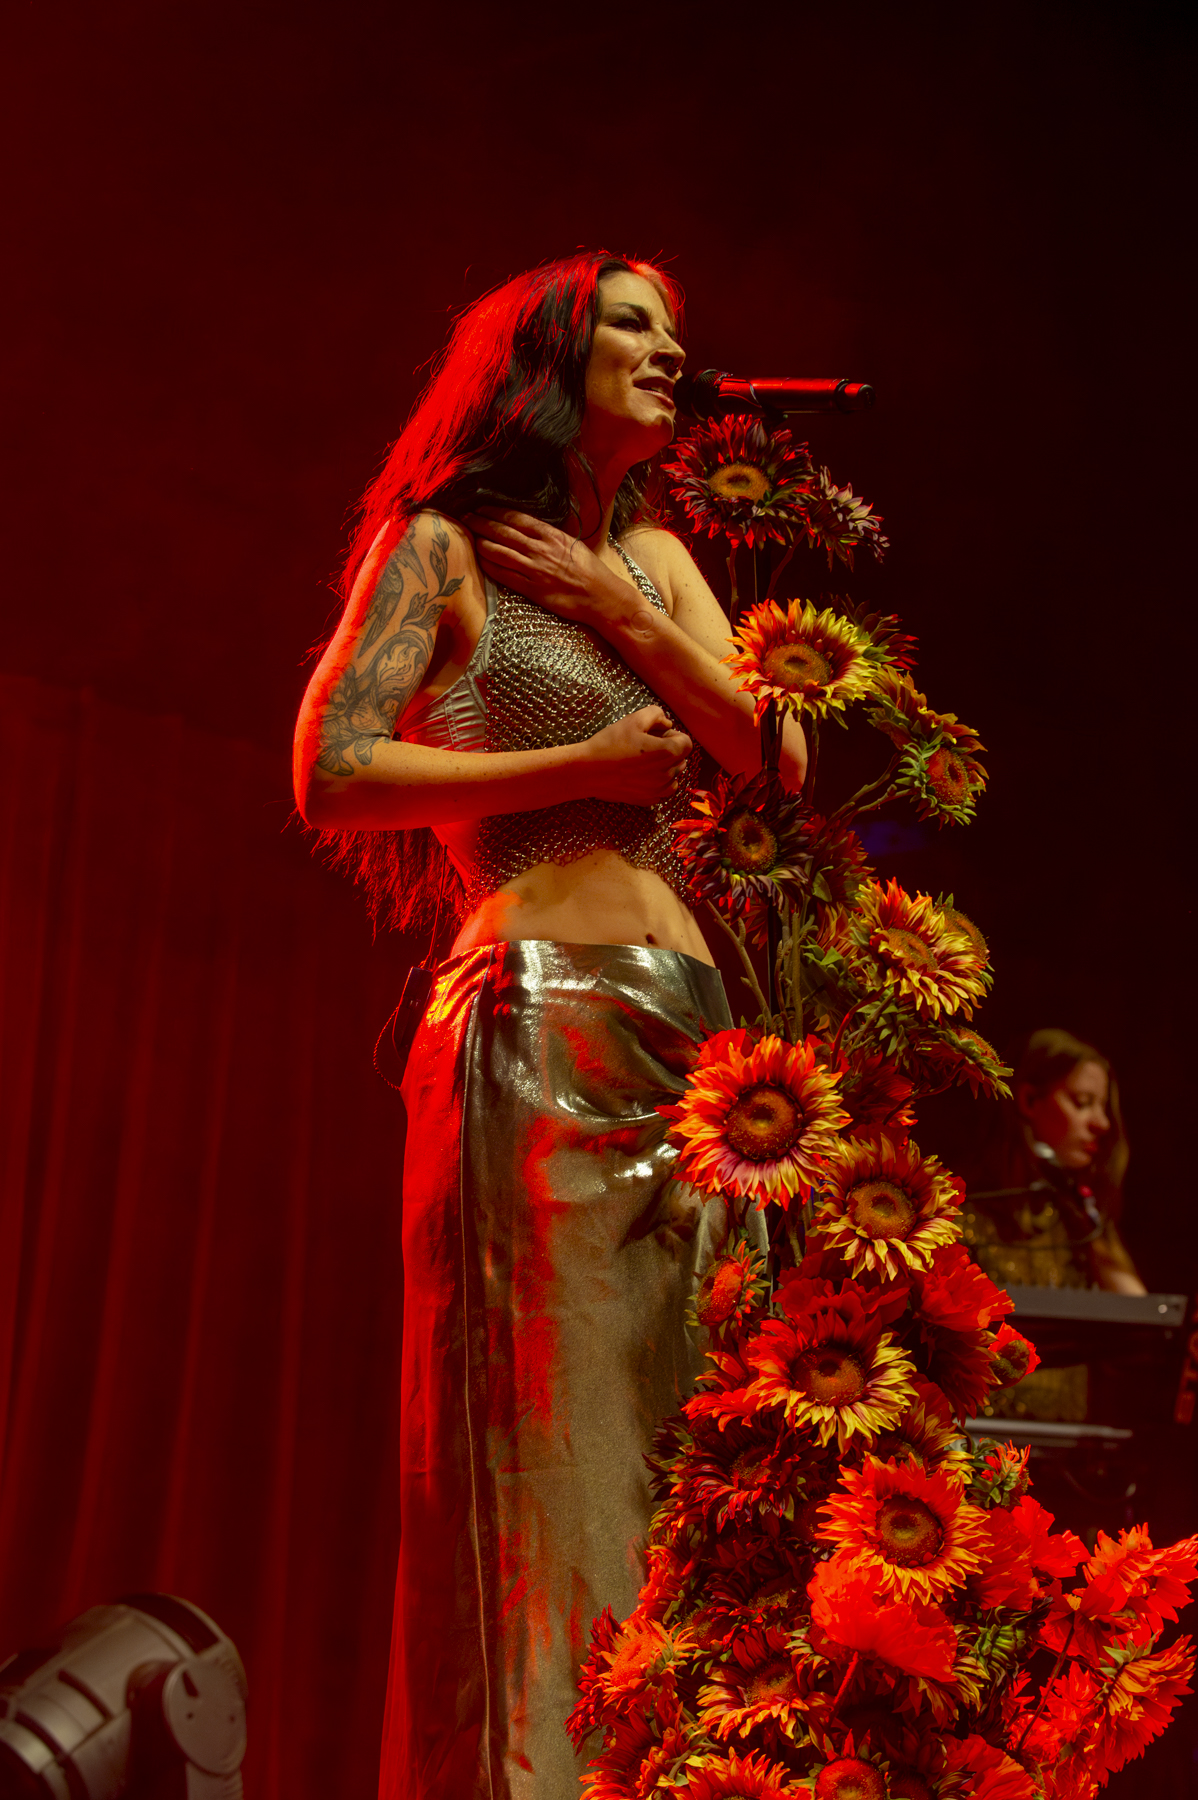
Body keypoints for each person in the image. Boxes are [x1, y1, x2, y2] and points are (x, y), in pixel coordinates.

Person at [293, 250, 804, 1800]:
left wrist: (610, 607)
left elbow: (772, 755)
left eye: (675, 329)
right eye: (632, 323)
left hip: (701, 1054)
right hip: (536, 1022)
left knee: (701, 1452)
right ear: (548, 358)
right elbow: (331, 768)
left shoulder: (650, 560)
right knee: (551, 1450)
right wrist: (577, 764)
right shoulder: (441, 547)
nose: (669, 348)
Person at [961, 1028, 1144, 1425]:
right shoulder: (961, 1218)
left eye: (1103, 1108)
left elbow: (1143, 1320)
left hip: (1074, 1447)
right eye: (1083, 1103)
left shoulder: (1080, 1224)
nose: (1102, 1124)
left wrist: (1092, 1220)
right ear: (1029, 1100)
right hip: (979, 1444)